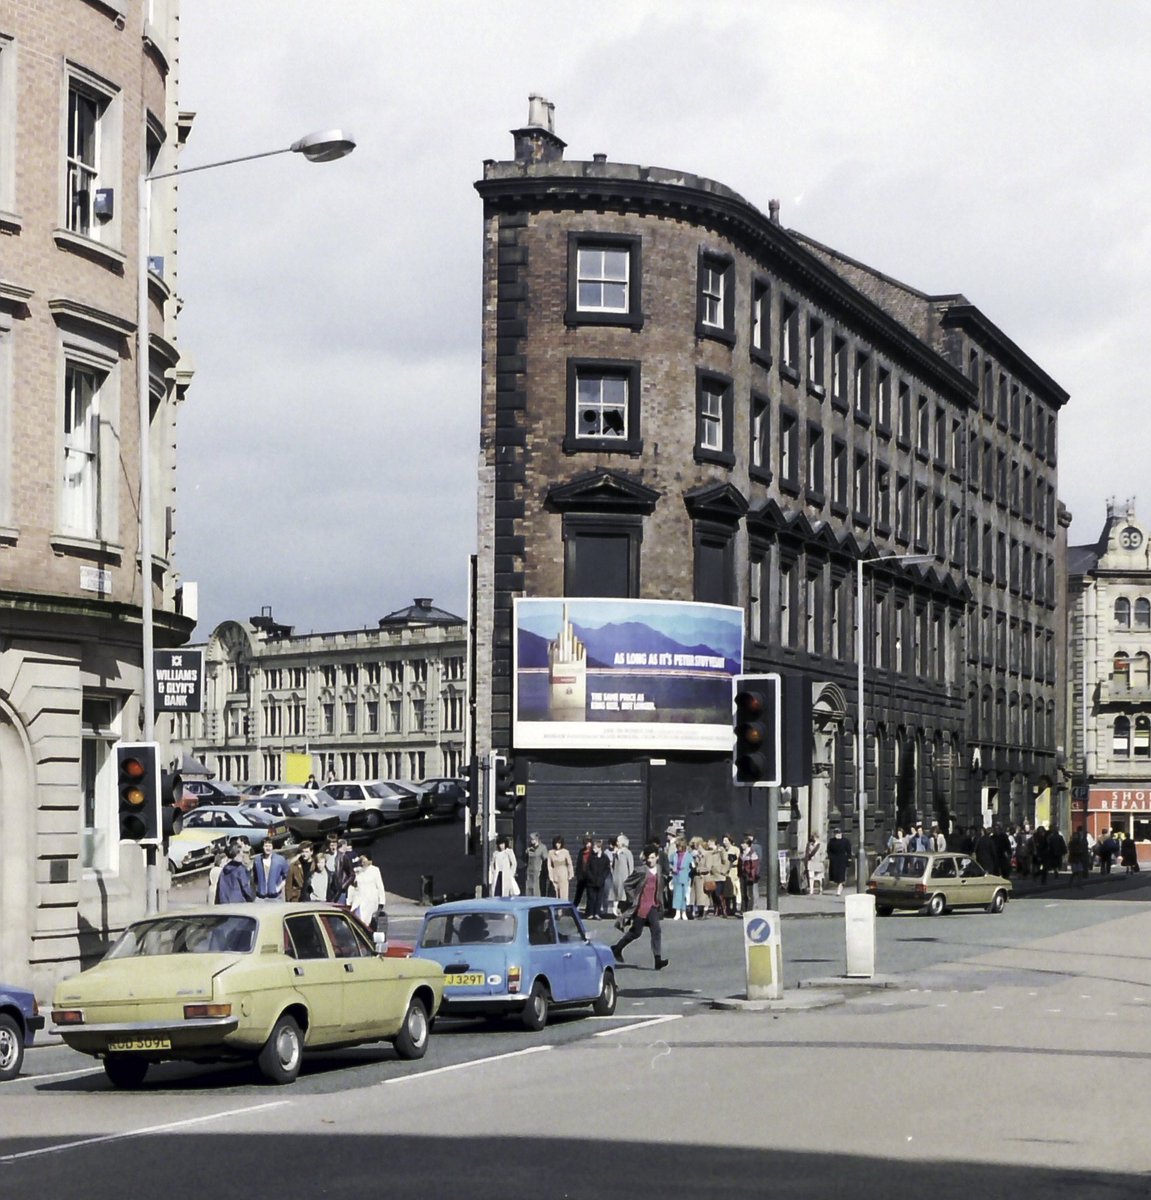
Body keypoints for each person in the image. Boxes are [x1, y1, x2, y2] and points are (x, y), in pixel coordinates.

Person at [611, 847, 668, 970]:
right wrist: (633, 898)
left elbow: (660, 885)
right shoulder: (641, 871)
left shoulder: (658, 869)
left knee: (656, 930)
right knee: (636, 933)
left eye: (653, 857)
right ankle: (616, 948)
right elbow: (627, 884)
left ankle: (658, 959)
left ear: (657, 857)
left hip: (652, 905)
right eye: (648, 858)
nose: (650, 860)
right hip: (642, 906)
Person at [347, 851, 387, 925]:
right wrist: (349, 901)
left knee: (366, 923)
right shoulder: (356, 871)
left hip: (371, 901)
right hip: (358, 901)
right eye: (361, 861)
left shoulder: (375, 870)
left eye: (364, 861)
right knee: (356, 921)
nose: (363, 863)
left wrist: (381, 902)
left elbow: (380, 886)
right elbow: (352, 887)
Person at [585, 839, 611, 918]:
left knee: (599, 898)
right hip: (591, 881)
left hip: (600, 881)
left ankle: (597, 913)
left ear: (600, 848)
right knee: (591, 897)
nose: (593, 849)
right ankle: (591, 913)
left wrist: (603, 878)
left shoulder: (605, 858)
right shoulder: (591, 857)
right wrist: (590, 877)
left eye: (595, 848)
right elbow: (587, 868)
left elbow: (607, 869)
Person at [669, 837, 693, 920]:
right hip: (676, 876)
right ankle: (677, 912)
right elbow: (669, 863)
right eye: (677, 846)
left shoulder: (689, 855)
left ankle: (684, 912)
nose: (678, 848)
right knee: (677, 895)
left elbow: (692, 866)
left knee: (684, 895)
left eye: (679, 846)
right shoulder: (674, 855)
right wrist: (672, 868)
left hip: (685, 876)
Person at [610, 834, 634, 915]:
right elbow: (613, 866)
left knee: (624, 896)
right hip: (616, 878)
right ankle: (617, 910)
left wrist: (631, 878)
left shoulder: (627, 852)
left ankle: (624, 912)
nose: (616, 843)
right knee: (616, 895)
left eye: (618, 841)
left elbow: (630, 866)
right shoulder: (616, 852)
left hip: (625, 878)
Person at [547, 836, 574, 900]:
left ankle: (563, 909)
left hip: (563, 874)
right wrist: (550, 876)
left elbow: (569, 863)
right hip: (555, 874)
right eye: (556, 843)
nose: (557, 845)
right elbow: (549, 865)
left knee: (564, 893)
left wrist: (570, 874)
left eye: (559, 843)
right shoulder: (550, 852)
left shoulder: (565, 852)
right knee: (555, 893)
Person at [826, 828, 851, 896]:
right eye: (836, 833)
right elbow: (828, 850)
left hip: (842, 860)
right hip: (834, 860)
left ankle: (839, 890)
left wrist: (849, 859)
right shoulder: (831, 841)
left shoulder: (845, 841)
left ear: (841, 834)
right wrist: (830, 857)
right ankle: (839, 885)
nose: (837, 835)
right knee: (835, 875)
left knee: (841, 875)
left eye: (838, 833)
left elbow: (849, 851)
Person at [739, 835, 761, 912]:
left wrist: (752, 877)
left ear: (747, 844)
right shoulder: (742, 854)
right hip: (743, 875)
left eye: (743, 843)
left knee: (749, 894)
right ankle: (744, 909)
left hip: (749, 876)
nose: (741, 845)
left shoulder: (752, 854)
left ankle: (749, 909)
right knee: (743, 893)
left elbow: (754, 866)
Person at [572, 839, 594, 913]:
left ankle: (589, 910)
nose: (587, 845)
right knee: (578, 893)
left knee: (589, 894)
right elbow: (578, 863)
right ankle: (574, 906)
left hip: (590, 876)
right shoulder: (581, 852)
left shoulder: (593, 852)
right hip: (582, 876)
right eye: (586, 843)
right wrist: (578, 874)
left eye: (589, 843)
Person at [524, 832, 548, 896]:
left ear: (537, 839)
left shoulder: (542, 847)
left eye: (533, 839)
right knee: (529, 887)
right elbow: (526, 859)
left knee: (536, 888)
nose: (532, 841)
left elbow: (545, 860)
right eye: (531, 839)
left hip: (538, 871)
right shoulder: (529, 848)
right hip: (529, 870)